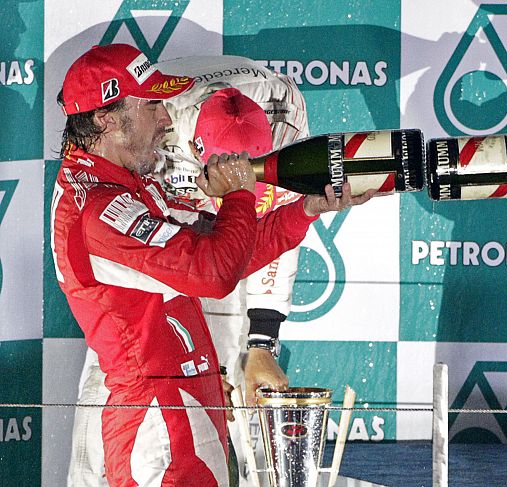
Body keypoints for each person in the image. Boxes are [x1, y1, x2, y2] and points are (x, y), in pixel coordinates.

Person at [52, 43, 372, 487]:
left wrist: (307, 210)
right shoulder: (100, 209)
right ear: (106, 119)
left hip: (181, 400)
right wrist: (239, 193)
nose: (164, 118)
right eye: (151, 105)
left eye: (164, 104)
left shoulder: (127, 185)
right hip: (158, 412)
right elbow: (215, 273)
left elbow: (228, 249)